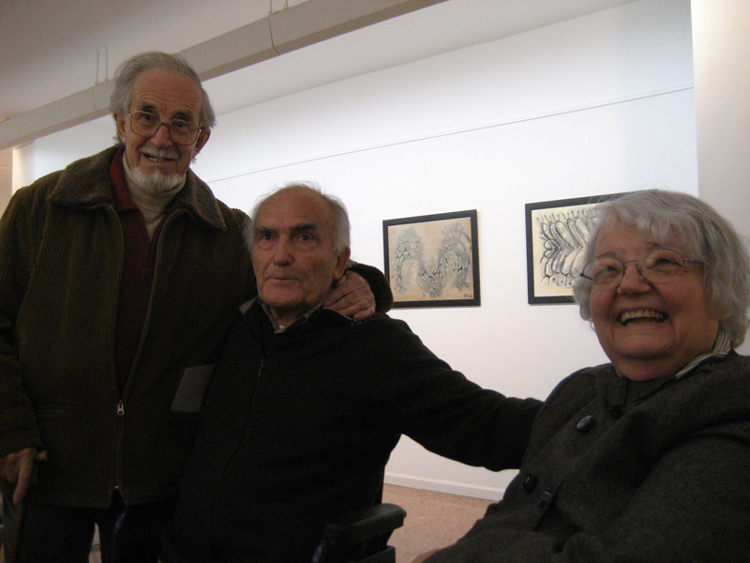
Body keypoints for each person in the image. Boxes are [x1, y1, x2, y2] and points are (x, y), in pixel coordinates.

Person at [0, 52, 388, 563]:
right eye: (147, 117)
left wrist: (365, 282)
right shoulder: (41, 209)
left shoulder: (227, 233)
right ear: (120, 123)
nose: (162, 138)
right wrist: (10, 429)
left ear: (200, 139)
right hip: (48, 464)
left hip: (159, 475)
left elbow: (299, 274)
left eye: (181, 124)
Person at [159, 183, 542, 563]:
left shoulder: (374, 346)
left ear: (341, 262)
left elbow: (481, 423)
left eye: (304, 238)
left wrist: (575, 414)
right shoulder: (233, 328)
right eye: (266, 237)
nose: (280, 255)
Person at [415, 189, 750, 563]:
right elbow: (516, 507)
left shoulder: (732, 405)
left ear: (725, 288)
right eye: (609, 269)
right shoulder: (584, 389)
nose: (630, 284)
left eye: (662, 262)